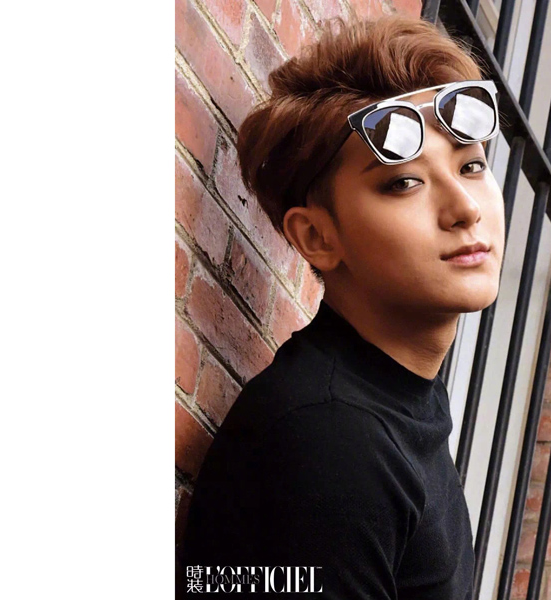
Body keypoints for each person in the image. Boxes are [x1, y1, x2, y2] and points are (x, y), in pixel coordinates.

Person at [178, 13, 506, 599]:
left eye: (472, 165)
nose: (465, 208)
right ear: (316, 237)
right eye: (403, 183)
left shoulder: (398, 404)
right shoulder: (330, 438)